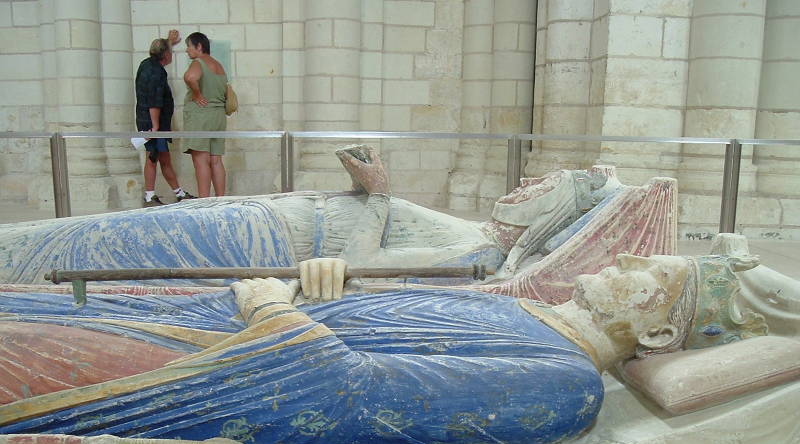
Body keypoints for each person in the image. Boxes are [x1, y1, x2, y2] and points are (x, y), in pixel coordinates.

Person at [0, 250, 770, 444]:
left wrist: (271, 304)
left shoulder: (566, 385)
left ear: (662, 336)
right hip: (217, 320)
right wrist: (316, 285)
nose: (620, 264)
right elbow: (376, 321)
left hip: (196, 373)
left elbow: (339, 396)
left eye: (645, 277)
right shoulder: (533, 312)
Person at [0, 147, 677, 304]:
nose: (530, 183)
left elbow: (359, 270)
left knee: (70, 248)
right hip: (265, 217)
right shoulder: (471, 233)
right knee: (82, 232)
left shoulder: (476, 255)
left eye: (544, 189)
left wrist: (375, 196)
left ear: (553, 219)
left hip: (263, 241)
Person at [135, 29, 195, 205]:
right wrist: (155, 127)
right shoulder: (157, 72)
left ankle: (178, 192)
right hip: (154, 123)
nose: (172, 55)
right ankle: (150, 195)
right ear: (165, 55)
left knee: (162, 157)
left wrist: (169, 41)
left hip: (148, 120)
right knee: (154, 156)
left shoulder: (146, 64)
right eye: (170, 51)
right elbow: (154, 101)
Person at [183, 31, 228, 198]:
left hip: (201, 117)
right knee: (216, 160)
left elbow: (190, 77)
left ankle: (204, 202)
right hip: (218, 117)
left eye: (188, 46)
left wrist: (197, 94)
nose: (187, 50)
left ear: (199, 46)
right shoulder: (219, 65)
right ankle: (220, 200)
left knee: (201, 160)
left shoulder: (198, 62)